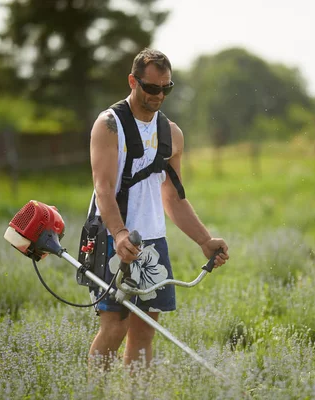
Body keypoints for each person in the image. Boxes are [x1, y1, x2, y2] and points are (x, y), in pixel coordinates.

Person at [85, 48, 229, 369]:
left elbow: (174, 197)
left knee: (146, 329)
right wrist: (120, 233)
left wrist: (205, 241)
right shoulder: (109, 125)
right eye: (151, 88)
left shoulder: (171, 133)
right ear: (133, 81)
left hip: (153, 239)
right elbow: (103, 187)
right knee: (116, 325)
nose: (159, 95)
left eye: (166, 88)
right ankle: (93, 391)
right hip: (113, 236)